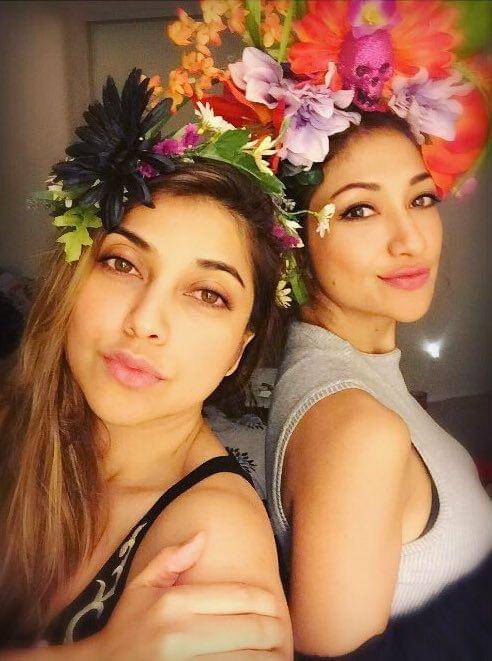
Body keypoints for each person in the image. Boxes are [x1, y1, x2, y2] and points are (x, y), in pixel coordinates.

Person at [0, 69, 293, 657]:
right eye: (123, 264)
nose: (145, 321)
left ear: (239, 350)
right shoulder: (13, 419)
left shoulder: (212, 542)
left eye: (207, 294)